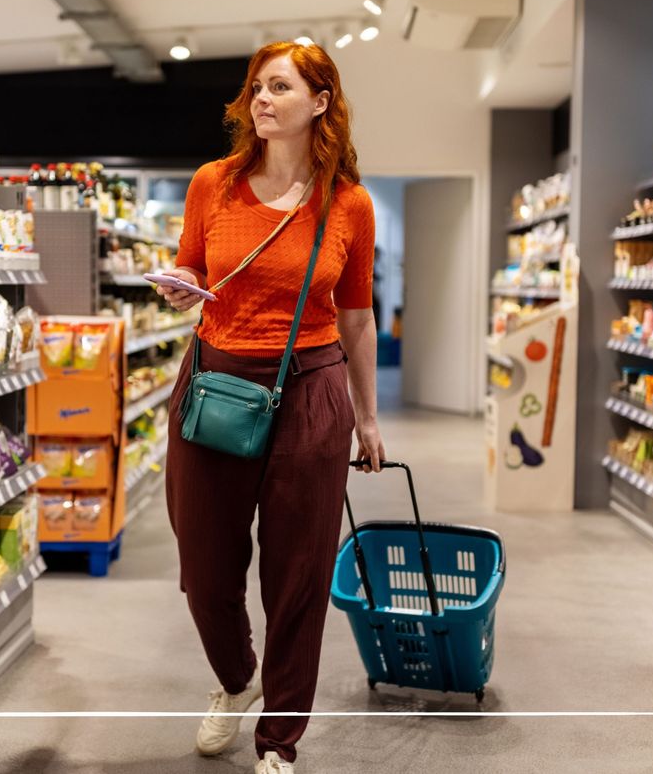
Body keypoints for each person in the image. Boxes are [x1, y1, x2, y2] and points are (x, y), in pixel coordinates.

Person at [153, 40, 383, 774]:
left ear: (320, 102)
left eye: (279, 86)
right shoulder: (212, 184)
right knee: (204, 564)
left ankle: (279, 737)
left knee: (298, 572)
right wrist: (182, 282)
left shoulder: (347, 202)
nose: (261, 98)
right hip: (216, 381)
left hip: (311, 391)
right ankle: (235, 676)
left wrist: (368, 415)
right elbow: (193, 259)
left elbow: (357, 319)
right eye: (256, 86)